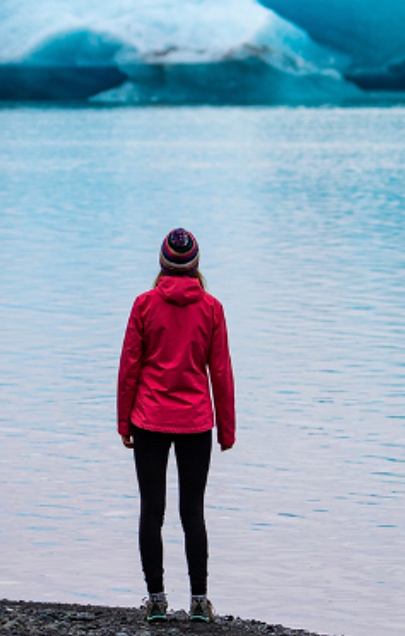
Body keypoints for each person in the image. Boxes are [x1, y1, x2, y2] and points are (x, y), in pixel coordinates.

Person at [117, 227, 235, 624]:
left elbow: (129, 367)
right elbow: (221, 372)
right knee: (193, 512)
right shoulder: (212, 308)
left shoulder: (144, 305)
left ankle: (156, 600)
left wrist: (123, 422)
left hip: (149, 418)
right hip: (196, 421)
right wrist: (227, 429)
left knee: (152, 510)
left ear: (163, 264)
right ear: (196, 264)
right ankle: (199, 601)